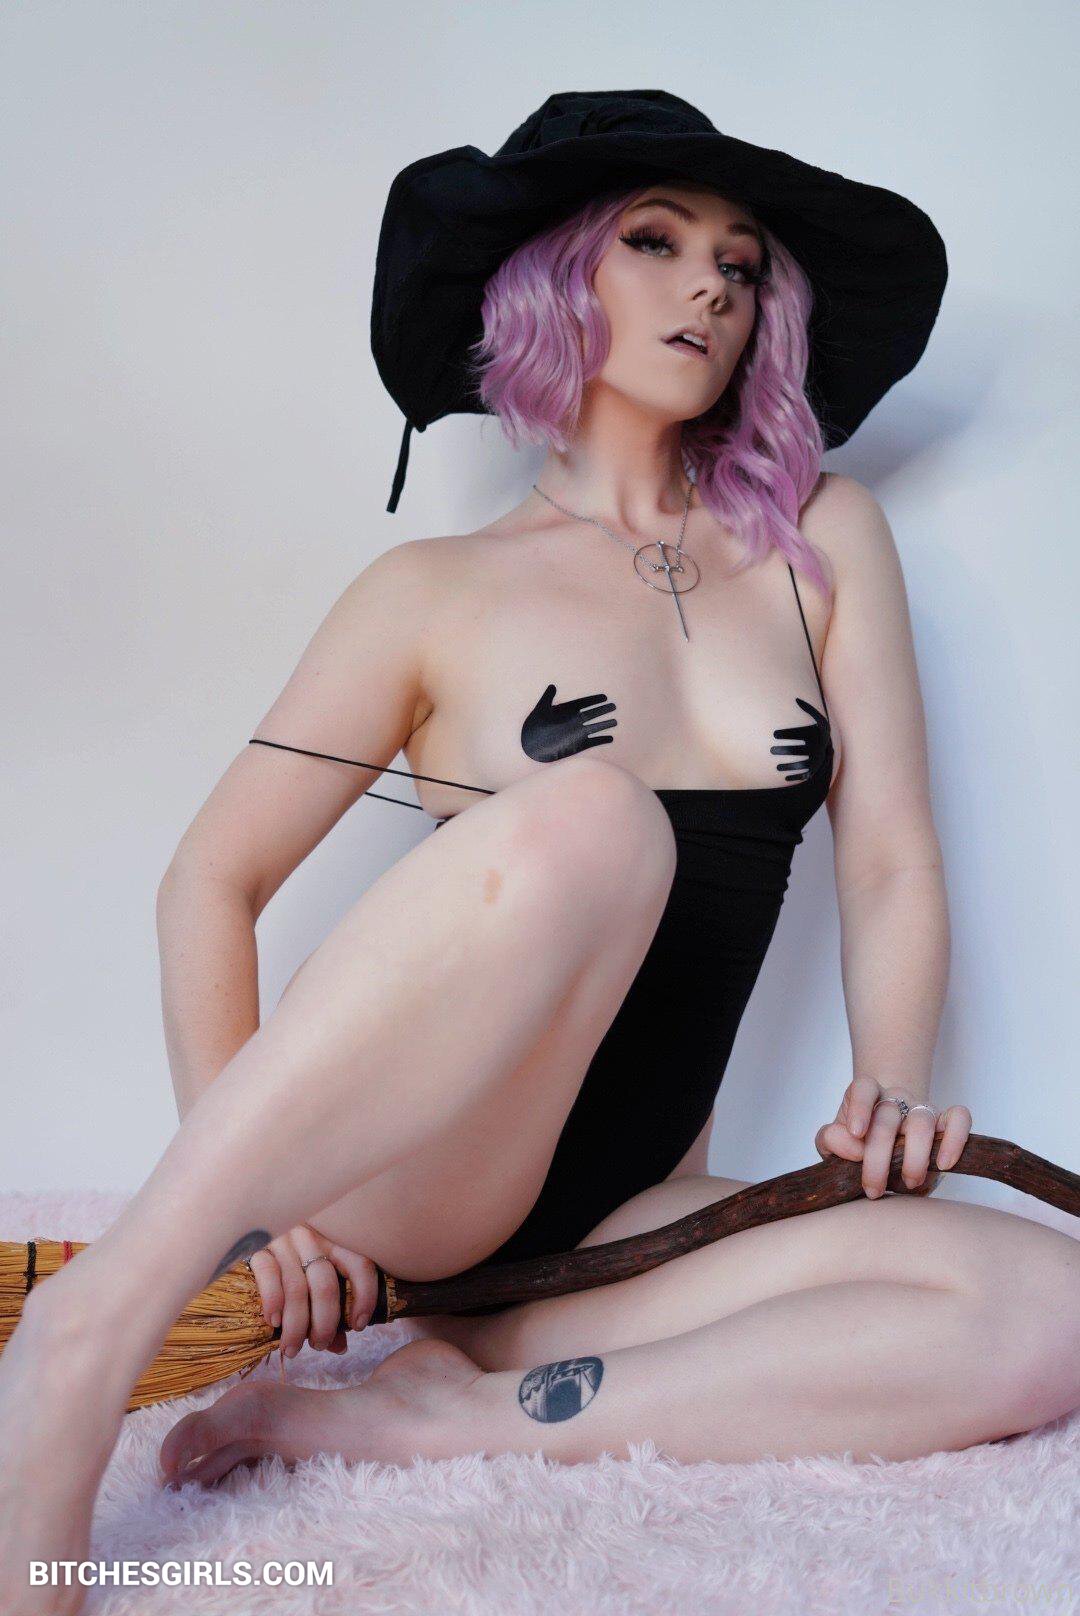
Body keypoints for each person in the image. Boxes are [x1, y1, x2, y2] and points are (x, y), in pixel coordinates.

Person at [2, 90, 1077, 1614]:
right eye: (657, 242)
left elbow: (889, 854)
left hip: (620, 1228)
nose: (711, 286)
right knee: (593, 817)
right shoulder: (432, 590)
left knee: (1046, 1309)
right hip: (432, 1197)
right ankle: (98, 1323)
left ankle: (450, 1417)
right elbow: (211, 883)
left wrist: (890, 1092)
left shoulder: (822, 544)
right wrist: (268, 1226)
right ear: (557, 276)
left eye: (741, 264)